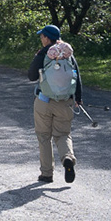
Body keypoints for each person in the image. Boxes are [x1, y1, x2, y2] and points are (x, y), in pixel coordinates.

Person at [27, 25, 80, 184]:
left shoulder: (43, 53)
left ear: (47, 38)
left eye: (42, 36)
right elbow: (76, 76)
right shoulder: (67, 53)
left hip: (44, 101)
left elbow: (31, 76)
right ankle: (67, 158)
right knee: (63, 134)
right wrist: (78, 98)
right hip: (65, 102)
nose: (41, 38)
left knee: (44, 136)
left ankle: (46, 174)